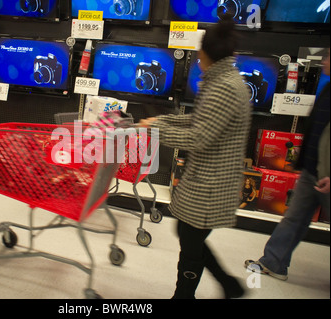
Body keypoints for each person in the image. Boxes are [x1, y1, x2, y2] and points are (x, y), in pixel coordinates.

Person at [139, 16, 252, 299]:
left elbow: (199, 137)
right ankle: (230, 286)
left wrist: (157, 130)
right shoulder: (223, 80)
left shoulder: (224, 87)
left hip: (211, 182)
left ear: (205, 52)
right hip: (208, 178)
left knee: (190, 238)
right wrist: (161, 121)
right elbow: (200, 122)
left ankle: (186, 295)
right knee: (190, 236)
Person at [245, 49, 330, 280]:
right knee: (294, 218)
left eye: (330, 56)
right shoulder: (327, 89)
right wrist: (301, 163)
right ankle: (274, 263)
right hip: (312, 171)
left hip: (327, 176)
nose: (325, 61)